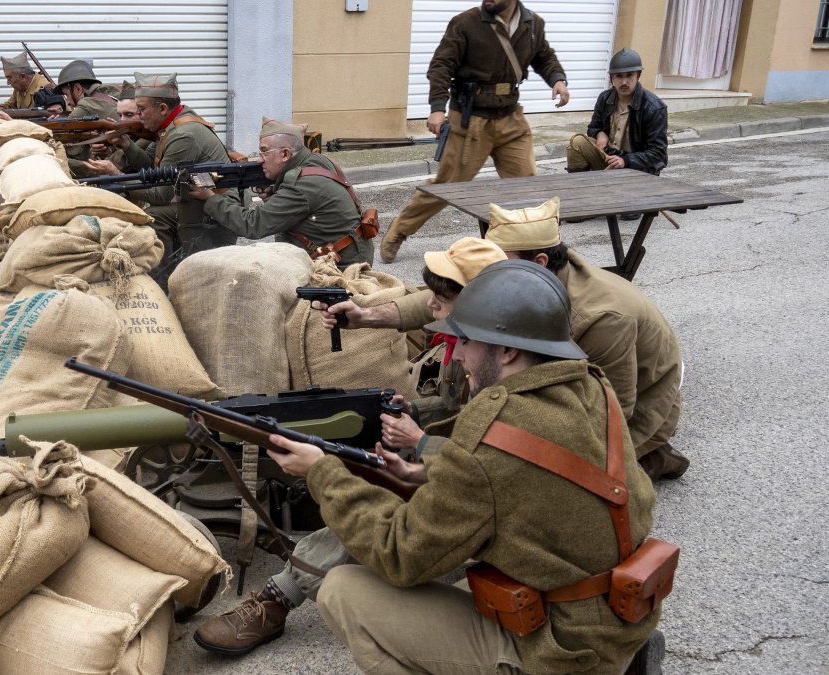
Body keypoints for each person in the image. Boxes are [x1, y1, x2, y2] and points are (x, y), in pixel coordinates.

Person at [264, 259, 663, 675]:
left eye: (467, 342)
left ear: (507, 350)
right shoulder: (593, 388)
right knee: (456, 575)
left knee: (344, 591)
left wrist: (321, 472)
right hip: (618, 616)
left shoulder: (493, 431)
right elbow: (522, 480)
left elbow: (399, 553)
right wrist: (428, 473)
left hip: (562, 650)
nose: (462, 356)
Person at [192, 237, 506, 657]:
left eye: (443, 298)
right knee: (380, 472)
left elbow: (491, 457)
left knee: (388, 498)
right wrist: (414, 410)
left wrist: (421, 444)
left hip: (489, 497)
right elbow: (461, 409)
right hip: (470, 465)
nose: (430, 306)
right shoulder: (484, 343)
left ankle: (278, 597)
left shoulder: (505, 365)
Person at [485, 197, 688, 481]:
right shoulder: (536, 273)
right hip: (577, 382)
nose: (486, 274)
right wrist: (399, 312)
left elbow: (614, 412)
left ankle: (650, 458)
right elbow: (462, 290)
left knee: (538, 479)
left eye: (494, 263)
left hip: (643, 404)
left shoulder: (602, 318)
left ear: (540, 262)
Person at [380, 0, 570, 264]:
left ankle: (537, 248)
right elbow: (441, 65)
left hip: (510, 118)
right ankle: (398, 230)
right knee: (449, 187)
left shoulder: (532, 24)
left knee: (527, 188)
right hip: (471, 120)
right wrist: (437, 107)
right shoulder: (465, 23)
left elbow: (544, 56)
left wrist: (558, 79)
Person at [186, 118, 375, 268]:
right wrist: (276, 194)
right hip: (353, 254)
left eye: (264, 152)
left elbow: (254, 225)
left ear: (285, 154)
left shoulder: (301, 185)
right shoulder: (317, 161)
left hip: (341, 267)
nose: (259, 160)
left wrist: (210, 199)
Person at [109, 72, 239, 282]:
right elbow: (153, 167)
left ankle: (164, 280)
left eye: (142, 109)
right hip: (197, 197)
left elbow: (161, 194)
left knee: (153, 216)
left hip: (216, 207)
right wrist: (126, 144)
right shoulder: (173, 125)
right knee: (154, 213)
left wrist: (116, 176)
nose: (139, 115)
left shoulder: (182, 135)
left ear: (162, 108)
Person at [567, 48, 668, 177]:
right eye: (619, 76)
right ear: (611, 78)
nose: (624, 82)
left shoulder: (654, 108)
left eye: (629, 75)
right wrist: (600, 133)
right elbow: (593, 127)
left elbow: (658, 153)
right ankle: (579, 187)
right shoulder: (604, 98)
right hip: (609, 159)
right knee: (576, 143)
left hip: (638, 169)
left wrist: (626, 161)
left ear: (638, 75)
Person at [54, 60, 119, 178]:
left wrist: (53, 123)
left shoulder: (86, 104)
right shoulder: (111, 94)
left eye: (67, 94)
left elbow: (61, 133)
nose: (67, 102)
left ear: (78, 89)